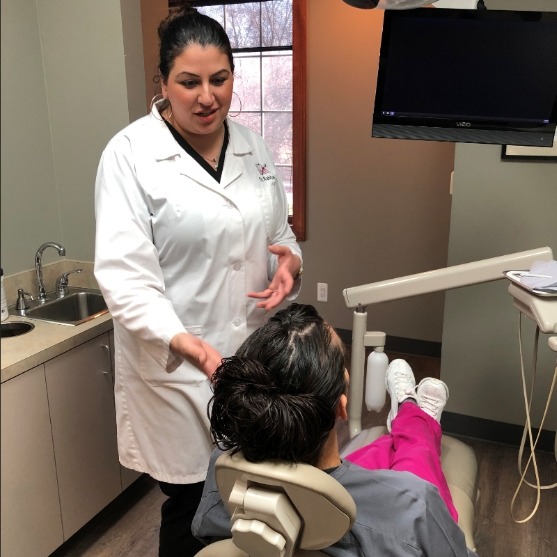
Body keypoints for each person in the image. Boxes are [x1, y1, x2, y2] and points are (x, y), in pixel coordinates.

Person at [94, 4, 302, 556]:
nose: (207, 96)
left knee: (252, 494)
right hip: (178, 369)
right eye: (189, 82)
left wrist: (291, 266)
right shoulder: (130, 156)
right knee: (192, 504)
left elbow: (280, 231)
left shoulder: (254, 147)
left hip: (250, 355)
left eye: (220, 79)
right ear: (162, 83)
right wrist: (201, 353)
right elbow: (126, 280)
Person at [193, 303, 478, 556]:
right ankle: (413, 415)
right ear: (341, 406)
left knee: (380, 449)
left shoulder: (221, 467)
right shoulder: (413, 504)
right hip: (404, 503)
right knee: (416, 455)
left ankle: (407, 415)